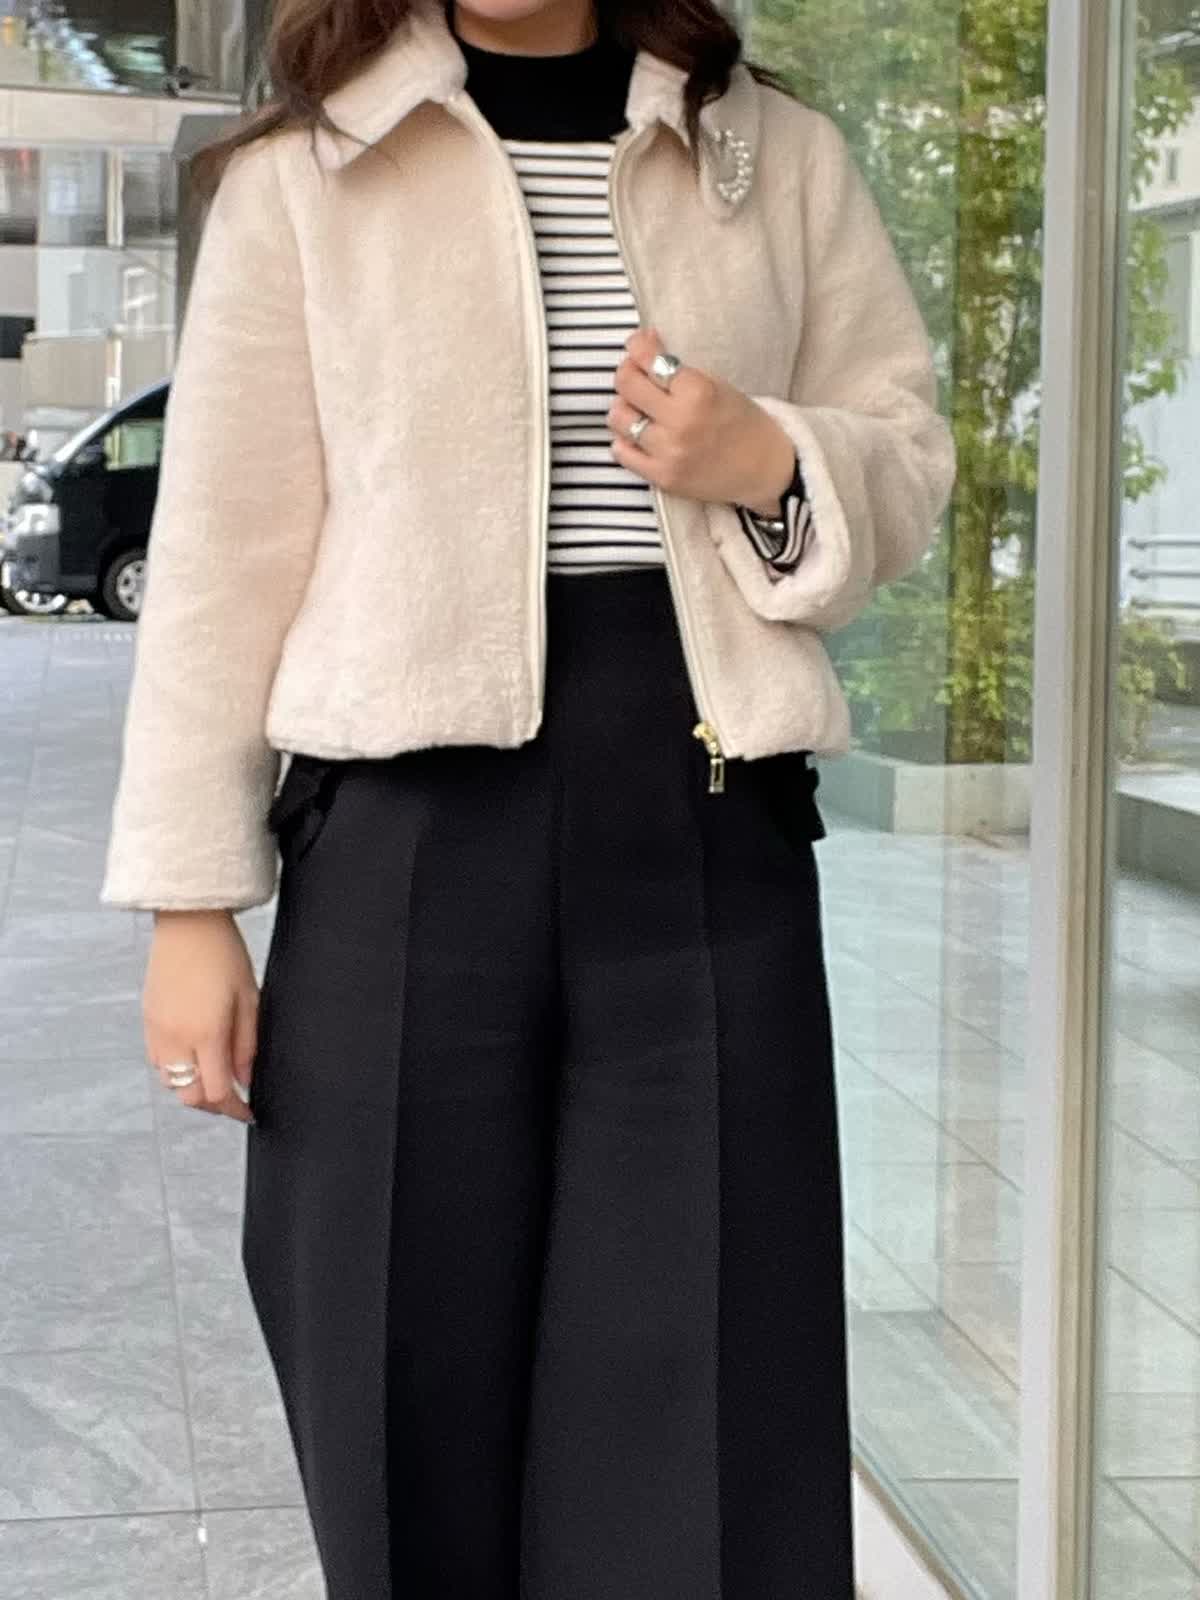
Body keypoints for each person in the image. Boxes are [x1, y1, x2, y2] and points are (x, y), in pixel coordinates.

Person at [100, 1, 956, 1595]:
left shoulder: (772, 156)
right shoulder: (308, 172)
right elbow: (223, 546)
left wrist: (773, 459)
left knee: (710, 1380)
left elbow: (907, 449)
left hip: (703, 828)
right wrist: (189, 899)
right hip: (402, 837)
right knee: (393, 1360)